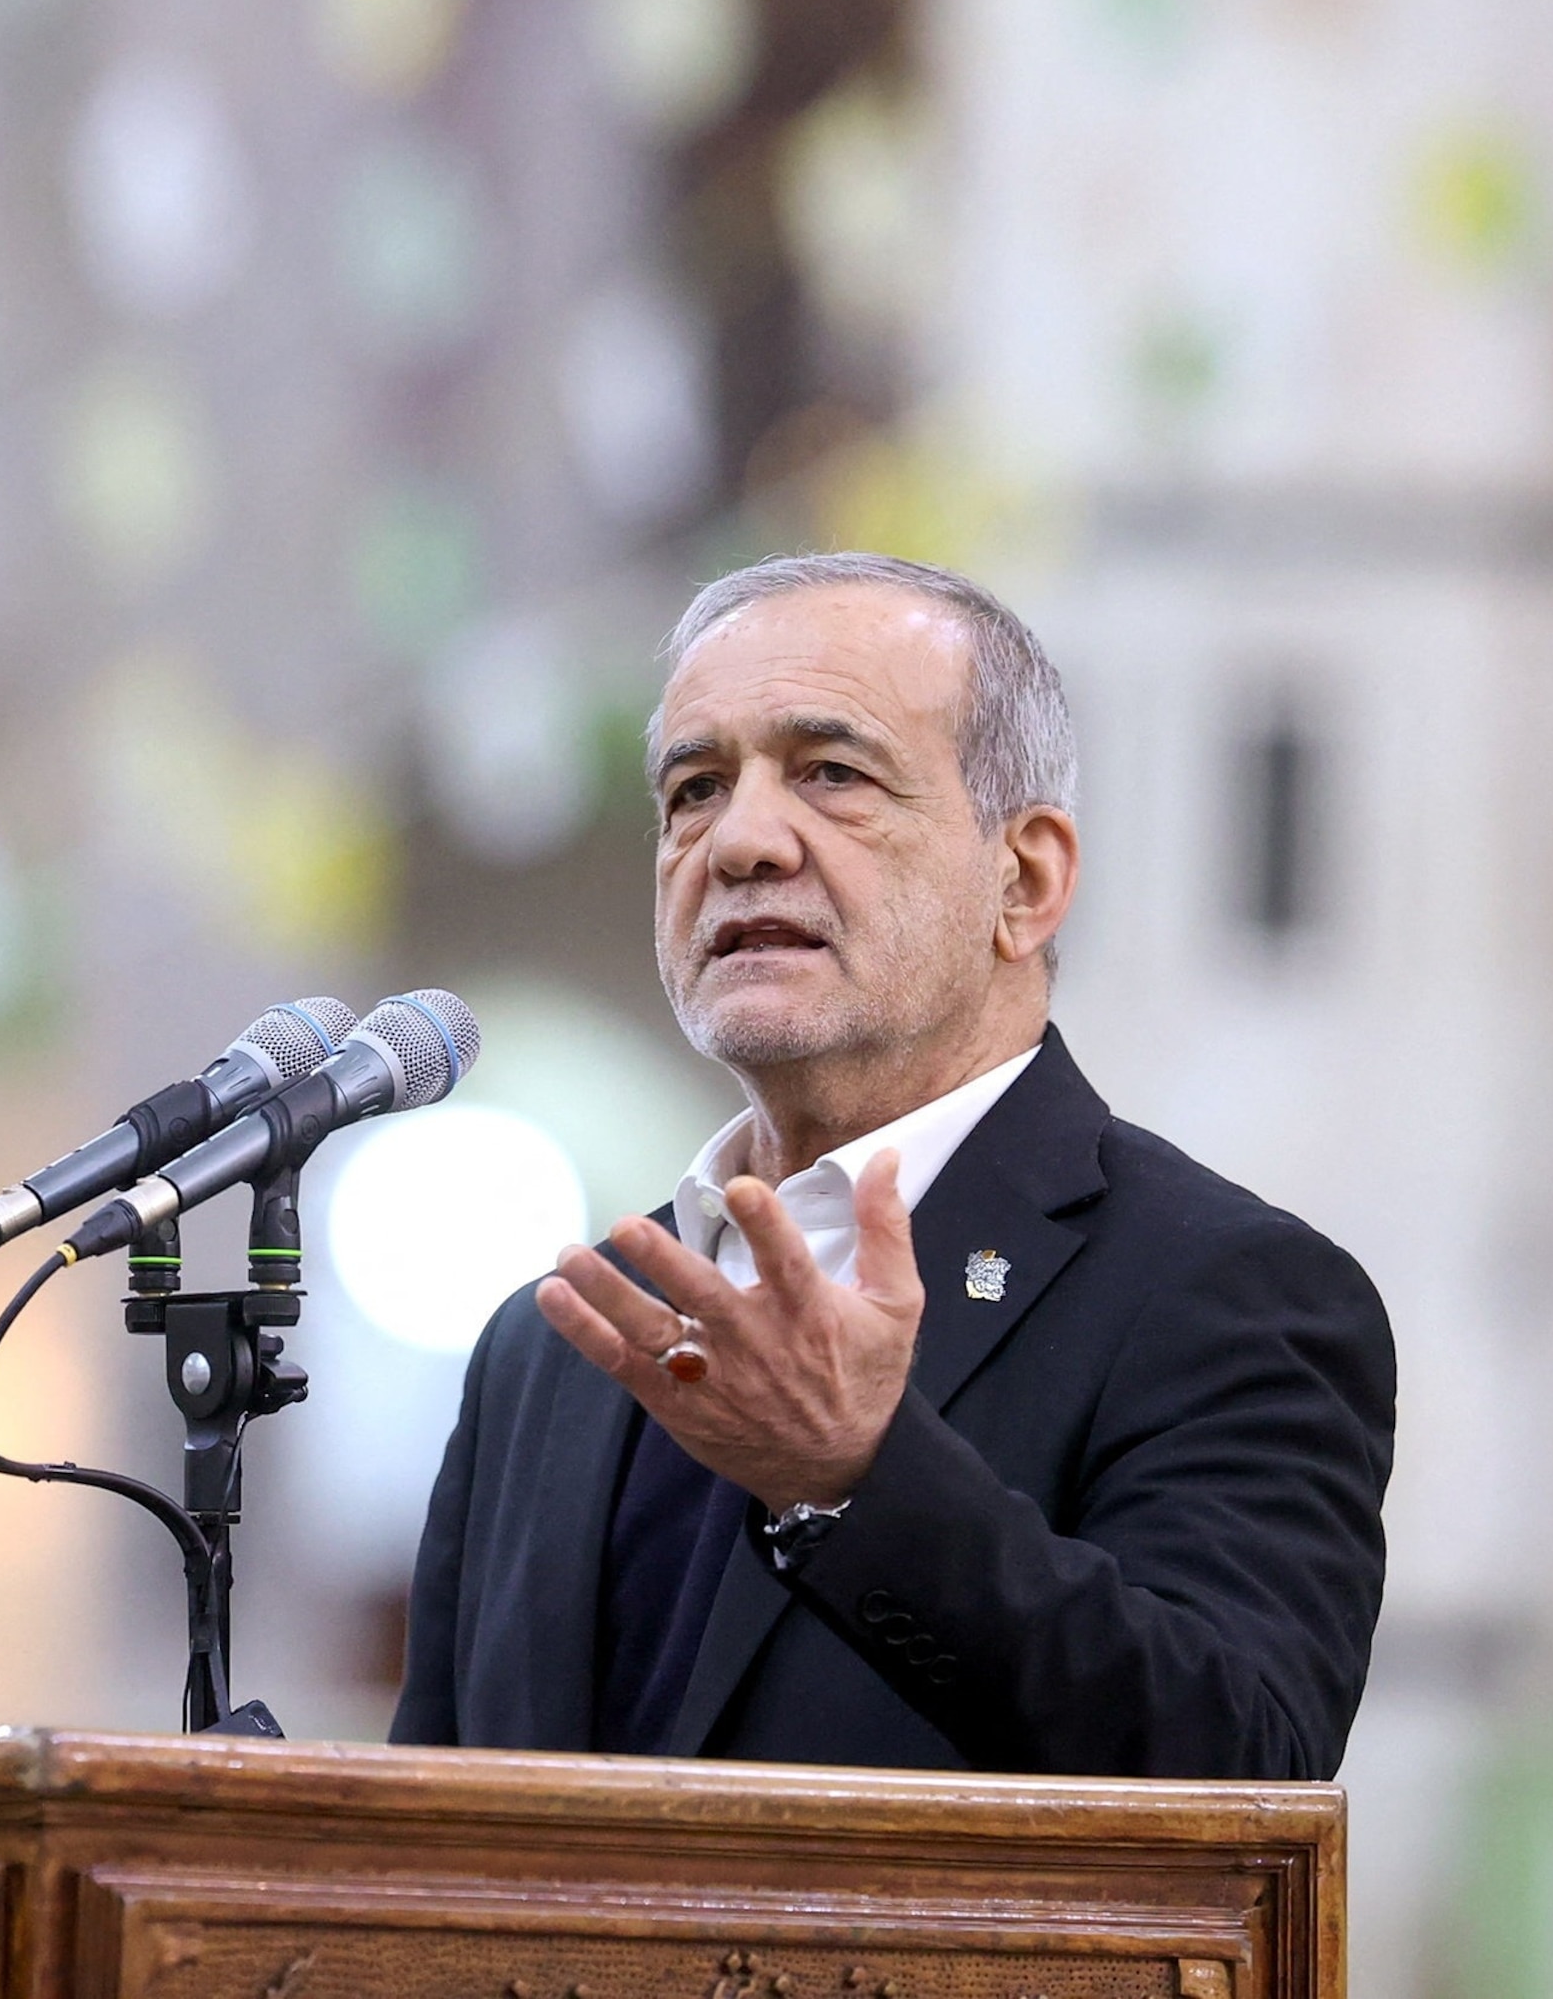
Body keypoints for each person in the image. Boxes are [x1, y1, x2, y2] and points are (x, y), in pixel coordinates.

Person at [389, 552, 1394, 1779]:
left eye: (833, 773)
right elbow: (432, 1832)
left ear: (1024, 879)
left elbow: (1242, 1771)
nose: (744, 839)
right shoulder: (550, 1344)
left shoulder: (1222, 1291)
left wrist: (857, 1483)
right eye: (695, 789)